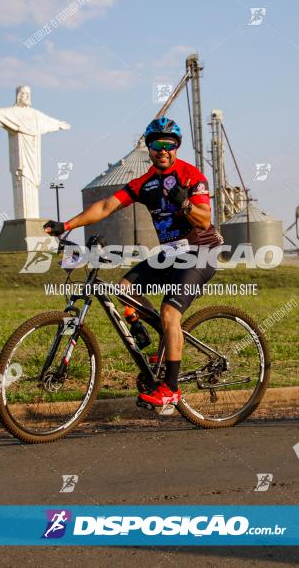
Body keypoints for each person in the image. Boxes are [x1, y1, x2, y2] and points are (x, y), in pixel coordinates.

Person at [43, 117, 223, 408]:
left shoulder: (191, 177)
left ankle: (171, 390)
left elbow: (204, 220)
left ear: (177, 147)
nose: (163, 150)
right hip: (171, 253)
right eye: (156, 145)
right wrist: (68, 225)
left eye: (169, 145)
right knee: (124, 289)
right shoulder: (144, 183)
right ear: (149, 148)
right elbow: (105, 206)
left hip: (201, 251)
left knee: (169, 312)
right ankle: (160, 341)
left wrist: (184, 203)